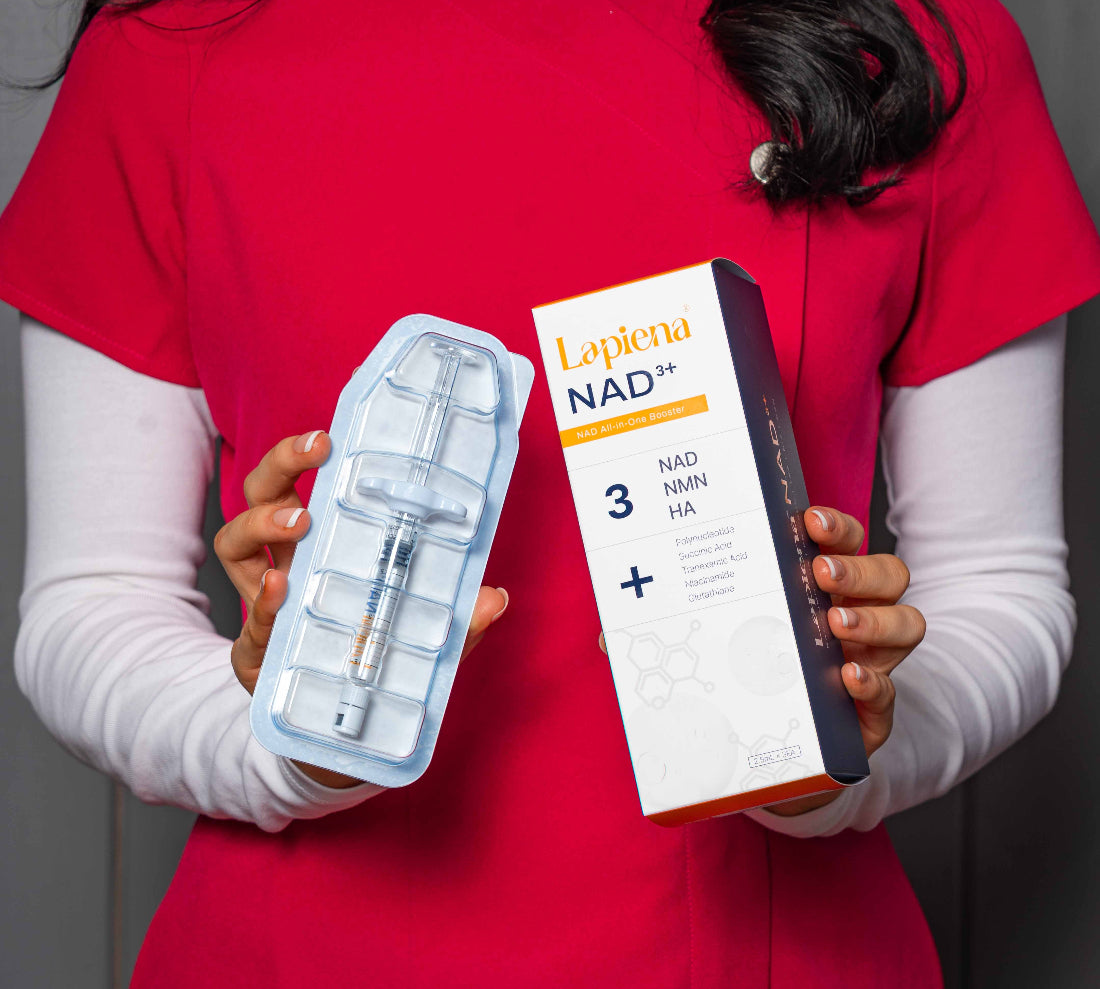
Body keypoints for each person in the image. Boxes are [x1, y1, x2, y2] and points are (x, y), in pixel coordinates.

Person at [2, 0, 1098, 985]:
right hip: (298, 951)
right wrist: (293, 737)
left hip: (769, 950)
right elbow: (93, 603)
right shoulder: (174, 48)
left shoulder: (919, 41)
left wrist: (834, 756)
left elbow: (1001, 587)